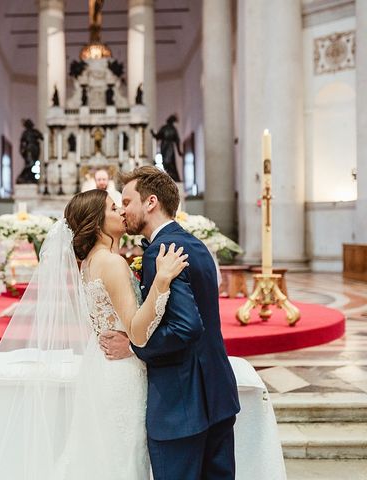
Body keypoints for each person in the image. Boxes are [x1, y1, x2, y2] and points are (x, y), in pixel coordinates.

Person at [0, 188, 188, 480]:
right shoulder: (112, 262)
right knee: (121, 457)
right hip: (121, 372)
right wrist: (161, 281)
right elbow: (137, 332)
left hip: (100, 366)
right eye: (112, 208)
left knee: (102, 454)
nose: (121, 211)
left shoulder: (92, 262)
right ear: (96, 223)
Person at [100, 165, 241, 479]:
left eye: (127, 201)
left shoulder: (161, 253)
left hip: (181, 405)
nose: (123, 211)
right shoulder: (194, 244)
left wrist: (135, 346)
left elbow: (185, 327)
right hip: (216, 394)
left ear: (150, 202)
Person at [151, 114, 183, 182]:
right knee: (165, 162)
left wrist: (179, 151)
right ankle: (168, 176)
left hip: (169, 147)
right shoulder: (164, 128)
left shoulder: (173, 129)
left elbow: (177, 140)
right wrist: (153, 133)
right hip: (164, 147)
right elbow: (158, 136)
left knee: (170, 162)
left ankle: (173, 177)